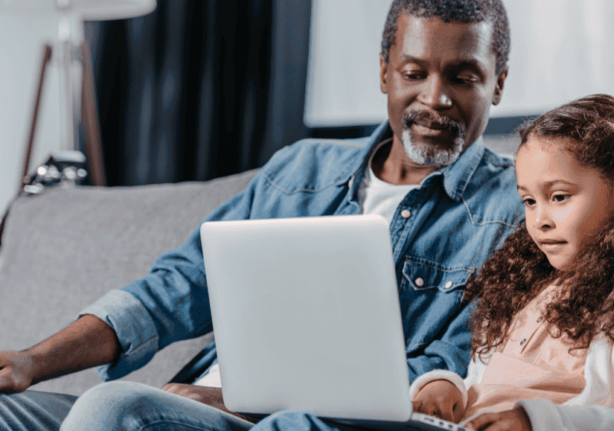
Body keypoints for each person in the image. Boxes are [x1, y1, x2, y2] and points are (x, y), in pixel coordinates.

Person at [0, 1, 522, 430]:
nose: (436, 98)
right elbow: (176, 287)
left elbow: (445, 371)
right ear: (384, 72)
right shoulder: (299, 169)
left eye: (463, 77)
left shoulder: (514, 212)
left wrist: (237, 403)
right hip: (187, 404)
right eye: (415, 72)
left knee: (111, 408)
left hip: (279, 423)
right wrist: (32, 361)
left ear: (496, 85)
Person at [403, 95, 614, 431]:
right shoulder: (522, 291)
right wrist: (445, 387)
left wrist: (535, 422)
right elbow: (481, 383)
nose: (539, 220)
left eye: (559, 197)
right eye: (528, 200)